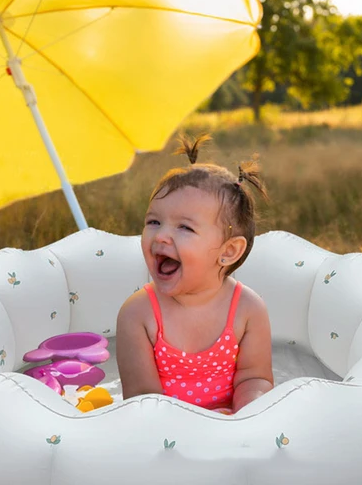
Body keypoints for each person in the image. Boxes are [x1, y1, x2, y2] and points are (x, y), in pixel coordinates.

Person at [116, 135, 273, 413]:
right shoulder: (138, 314)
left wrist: (244, 414)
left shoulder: (247, 309)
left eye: (185, 228)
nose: (161, 235)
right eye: (153, 221)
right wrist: (198, 427)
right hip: (166, 436)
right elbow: (142, 400)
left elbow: (255, 378)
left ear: (228, 252)